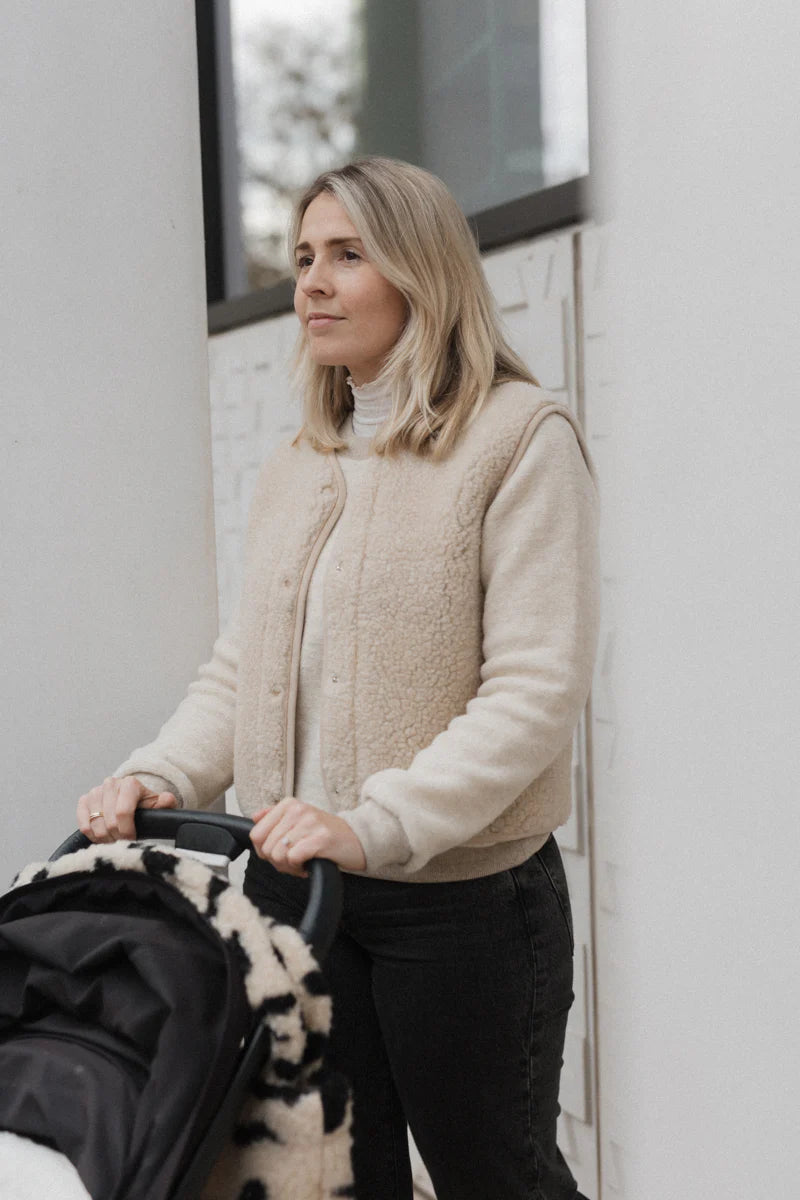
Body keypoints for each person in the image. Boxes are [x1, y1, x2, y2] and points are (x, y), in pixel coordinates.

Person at [77, 157, 599, 1200]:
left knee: (496, 1177)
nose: (309, 282)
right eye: (304, 256)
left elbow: (534, 692)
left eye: (347, 255)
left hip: (460, 907)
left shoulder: (517, 440)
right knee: (335, 1181)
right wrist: (159, 772)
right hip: (296, 890)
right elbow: (246, 666)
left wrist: (374, 824)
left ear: (421, 271)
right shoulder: (298, 462)